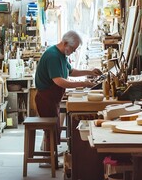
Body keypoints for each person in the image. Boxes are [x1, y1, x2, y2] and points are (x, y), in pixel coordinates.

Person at [34, 30, 102, 167]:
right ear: (65, 43)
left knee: (53, 128)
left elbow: (71, 71)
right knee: (51, 129)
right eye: (73, 49)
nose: (73, 52)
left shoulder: (61, 55)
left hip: (52, 97)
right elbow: (59, 81)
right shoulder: (53, 56)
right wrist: (83, 83)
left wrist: (90, 71)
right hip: (46, 97)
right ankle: (48, 160)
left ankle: (49, 154)